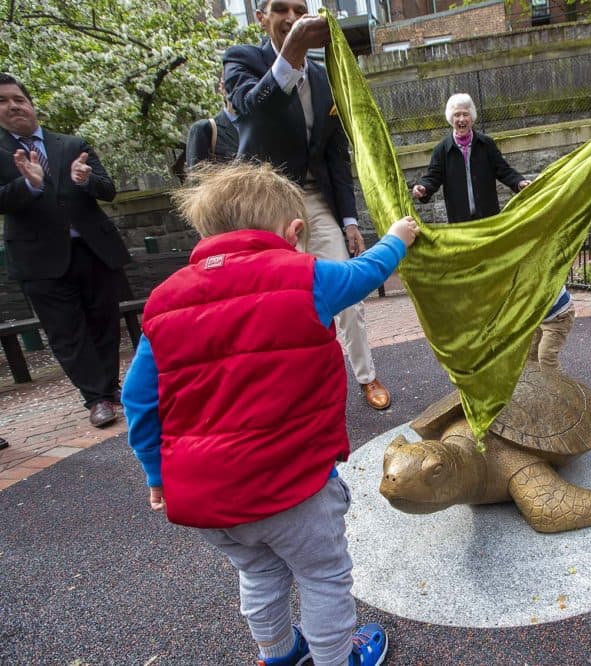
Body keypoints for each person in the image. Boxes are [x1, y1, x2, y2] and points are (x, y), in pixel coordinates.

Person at [122, 162, 419, 666]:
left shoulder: (164, 301)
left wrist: (156, 475)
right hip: (294, 486)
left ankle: (278, 654)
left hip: (211, 499)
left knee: (258, 575)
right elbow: (367, 271)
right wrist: (398, 237)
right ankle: (334, 659)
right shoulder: (303, 276)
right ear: (294, 232)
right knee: (322, 576)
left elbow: (138, 400)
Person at [223, 0, 393, 410]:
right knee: (284, 301)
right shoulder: (241, 60)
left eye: (300, 8)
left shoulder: (323, 78)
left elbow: (337, 154)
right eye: (279, 9)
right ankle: (298, 390)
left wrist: (349, 219)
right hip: (267, 203)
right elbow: (250, 111)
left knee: (348, 292)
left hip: (316, 201)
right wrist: (290, 55)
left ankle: (367, 377)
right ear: (261, 18)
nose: (291, 17)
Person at [0, 73, 131, 428]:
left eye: (18, 98)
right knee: (66, 332)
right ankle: (96, 398)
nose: (13, 106)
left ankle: (109, 387)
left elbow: (108, 189)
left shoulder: (72, 144)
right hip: (39, 260)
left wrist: (85, 180)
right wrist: (28, 184)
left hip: (92, 249)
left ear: (30, 104)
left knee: (103, 322)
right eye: (3, 101)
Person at [411, 93, 530, 223]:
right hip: (460, 223)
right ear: (451, 118)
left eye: (465, 114)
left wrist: (519, 182)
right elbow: (433, 177)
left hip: (489, 218)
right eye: (457, 115)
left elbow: (504, 170)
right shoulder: (442, 150)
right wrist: (423, 187)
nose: (461, 119)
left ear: (472, 117)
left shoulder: (486, 144)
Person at [185, 74, 239, 169]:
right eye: (236, 82)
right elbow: (197, 181)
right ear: (222, 86)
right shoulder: (205, 129)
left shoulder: (262, 133)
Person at [529, 285, 575, 371]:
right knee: (530, 354)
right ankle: (535, 382)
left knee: (546, 356)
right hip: (539, 317)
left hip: (559, 316)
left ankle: (560, 384)